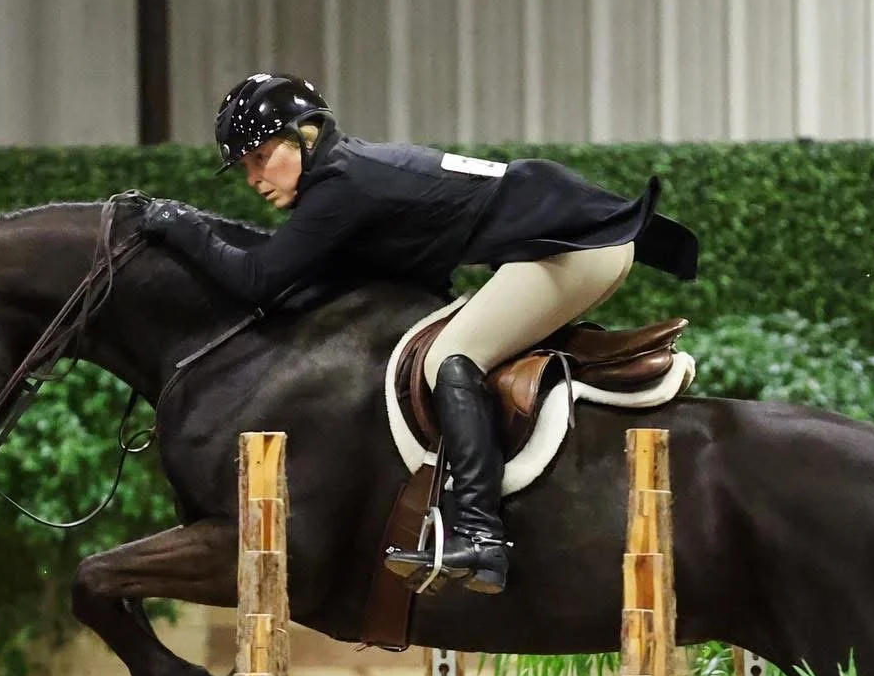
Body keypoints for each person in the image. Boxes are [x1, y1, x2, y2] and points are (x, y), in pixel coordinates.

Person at [138, 72, 698, 595]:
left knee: (451, 357)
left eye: (261, 157)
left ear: (304, 136)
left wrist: (179, 225)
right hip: (568, 242)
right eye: (245, 166)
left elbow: (257, 280)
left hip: (574, 249)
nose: (254, 177)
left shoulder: (341, 185)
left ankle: (480, 536)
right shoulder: (345, 175)